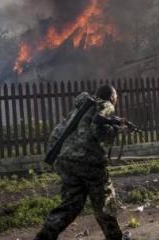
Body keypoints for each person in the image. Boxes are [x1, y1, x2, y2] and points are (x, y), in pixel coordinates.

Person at [34, 85, 130, 240]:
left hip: (65, 161)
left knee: (71, 205)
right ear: (112, 97)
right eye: (116, 97)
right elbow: (99, 131)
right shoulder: (106, 106)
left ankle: (44, 237)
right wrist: (118, 130)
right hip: (88, 162)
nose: (115, 100)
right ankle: (115, 238)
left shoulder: (81, 108)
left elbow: (59, 131)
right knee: (104, 202)